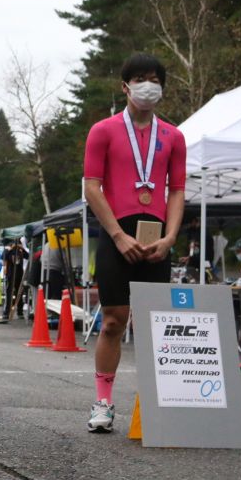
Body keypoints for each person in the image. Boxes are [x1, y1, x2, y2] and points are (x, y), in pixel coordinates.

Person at [83, 53, 186, 433]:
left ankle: (157, 405)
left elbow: (176, 190)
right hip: (116, 234)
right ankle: (104, 403)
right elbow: (92, 187)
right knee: (113, 321)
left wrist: (171, 236)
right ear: (125, 86)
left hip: (156, 236)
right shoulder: (104, 131)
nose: (148, 85)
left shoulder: (174, 136)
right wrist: (116, 234)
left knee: (156, 325)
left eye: (155, 79)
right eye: (140, 78)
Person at [3, 238, 28, 318]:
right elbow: (4, 257)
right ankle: (7, 312)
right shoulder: (8, 251)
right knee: (9, 294)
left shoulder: (21, 251)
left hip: (19, 275)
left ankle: (20, 312)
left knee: (19, 294)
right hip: (10, 275)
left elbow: (28, 256)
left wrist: (22, 248)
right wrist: (11, 248)